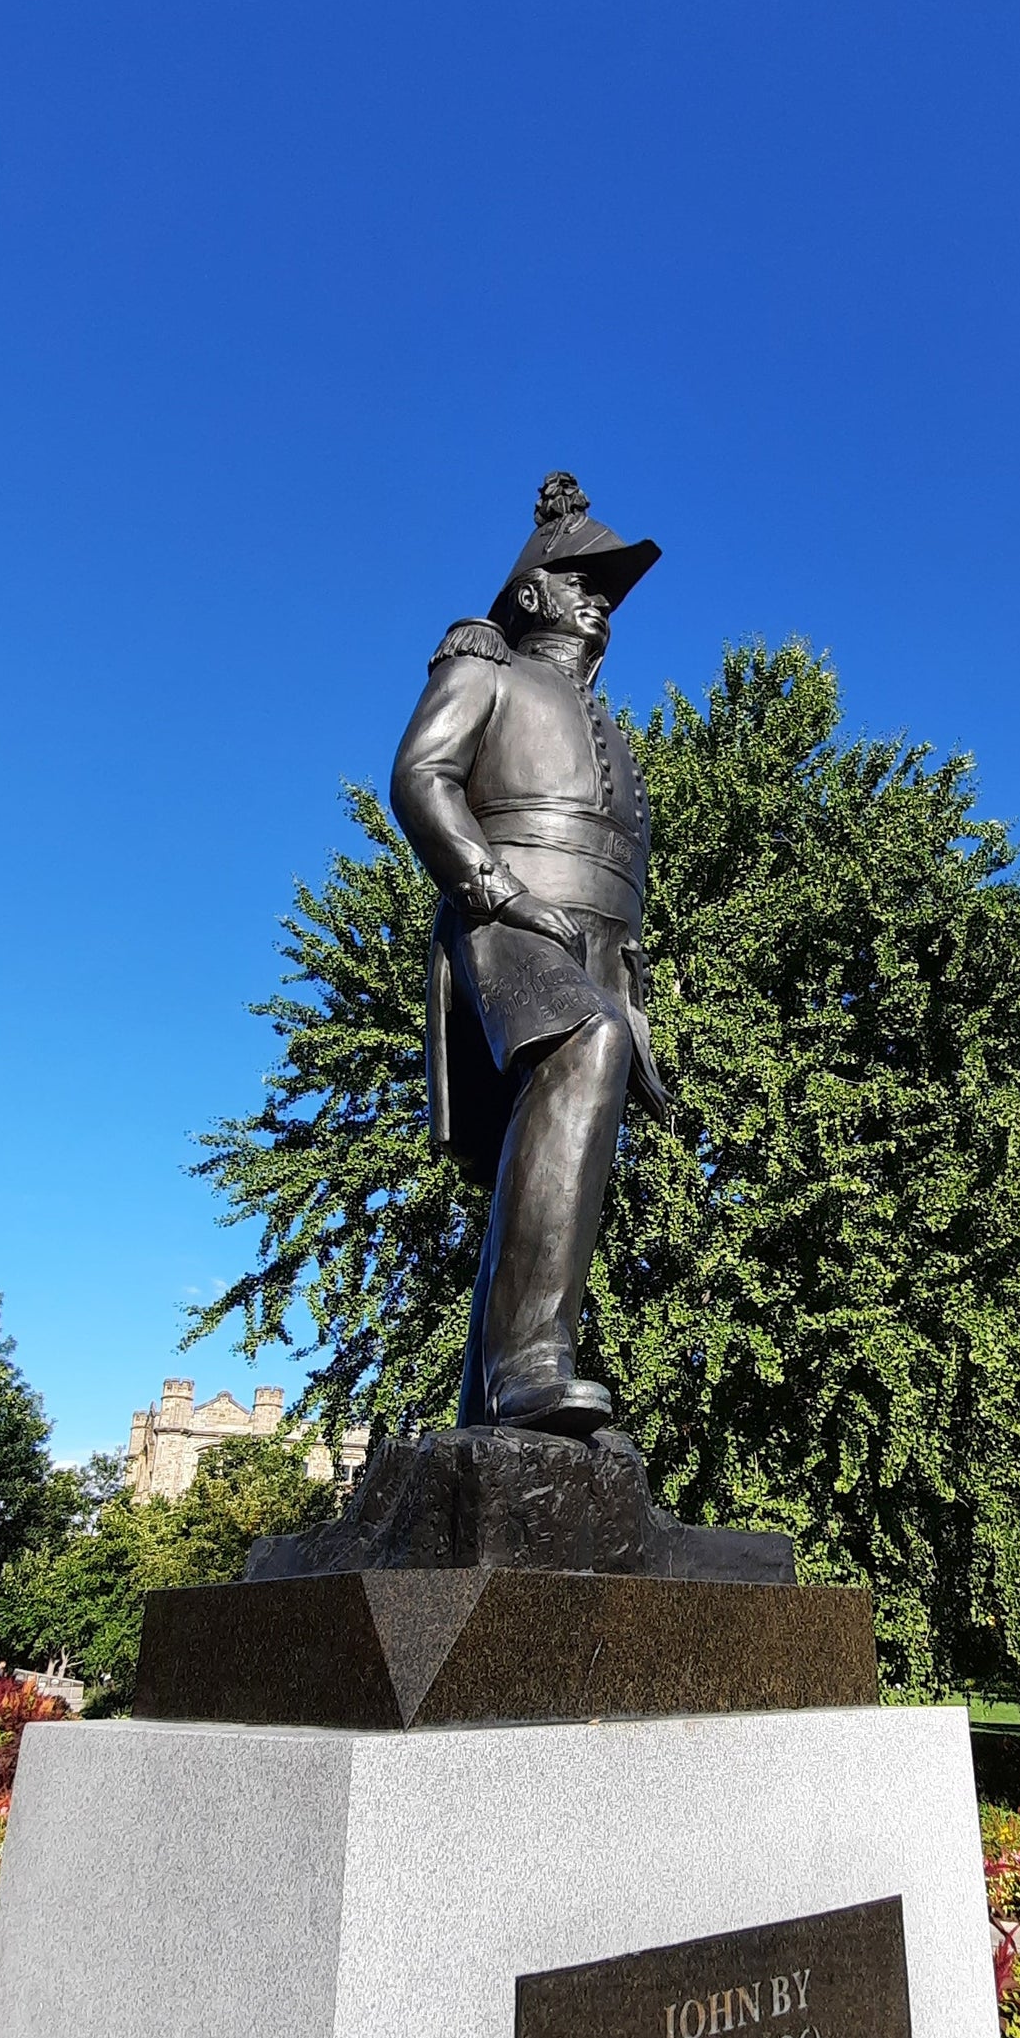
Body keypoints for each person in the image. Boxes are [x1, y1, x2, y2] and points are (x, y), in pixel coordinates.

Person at [390, 473, 668, 1433]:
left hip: (595, 944)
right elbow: (422, 778)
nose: (600, 598)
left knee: (553, 1125)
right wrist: (495, 890)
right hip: (504, 918)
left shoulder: (617, 733)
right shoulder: (485, 670)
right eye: (583, 578)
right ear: (532, 592)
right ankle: (532, 1362)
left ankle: (486, 1412)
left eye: (611, 587)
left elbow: (619, 875)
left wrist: (629, 990)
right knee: (582, 1040)